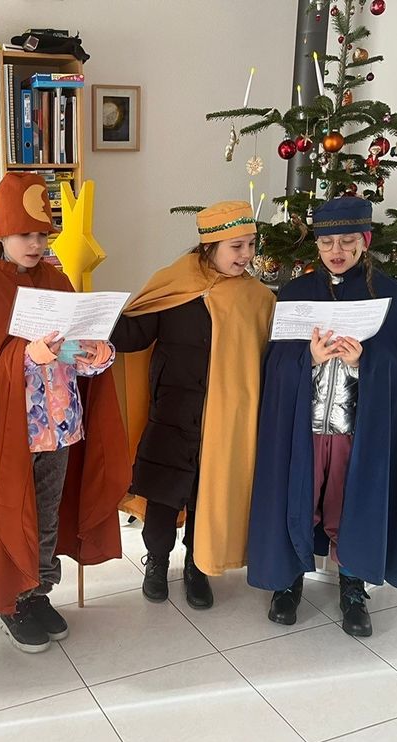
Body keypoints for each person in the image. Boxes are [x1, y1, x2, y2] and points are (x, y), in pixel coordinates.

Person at [0, 172, 130, 653]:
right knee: (13, 514)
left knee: (46, 516)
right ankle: (13, 600)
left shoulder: (57, 280)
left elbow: (74, 354)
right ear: (2, 232)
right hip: (10, 435)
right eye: (25, 233)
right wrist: (26, 355)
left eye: (43, 234)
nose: (35, 244)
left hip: (60, 427)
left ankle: (39, 591)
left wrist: (95, 352)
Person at [246, 196, 397, 637]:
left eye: (347, 241)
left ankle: (352, 586)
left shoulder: (391, 295)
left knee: (349, 506)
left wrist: (364, 363)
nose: (336, 251)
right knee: (298, 501)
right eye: (327, 243)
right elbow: (274, 367)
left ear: (365, 241)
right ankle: (288, 581)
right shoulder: (295, 293)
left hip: (355, 431)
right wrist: (306, 358)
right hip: (302, 429)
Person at [111, 201, 275, 609]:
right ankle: (157, 562)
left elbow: (266, 360)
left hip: (223, 422)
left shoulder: (256, 299)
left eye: (251, 245)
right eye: (236, 246)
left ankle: (197, 566)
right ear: (210, 246)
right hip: (172, 414)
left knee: (207, 497)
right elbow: (133, 333)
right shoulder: (174, 284)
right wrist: (97, 322)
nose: (246, 255)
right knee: (163, 496)